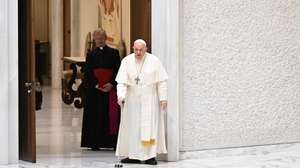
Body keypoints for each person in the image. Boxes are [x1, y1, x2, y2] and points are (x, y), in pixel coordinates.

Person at [115, 39, 168, 165]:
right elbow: (121, 82)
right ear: (133, 48)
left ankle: (150, 156)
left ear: (146, 49)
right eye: (136, 50)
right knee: (133, 128)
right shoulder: (126, 61)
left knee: (150, 127)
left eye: (141, 50)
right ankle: (133, 155)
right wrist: (121, 96)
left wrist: (163, 98)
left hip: (150, 99)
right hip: (132, 100)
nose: (138, 52)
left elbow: (162, 82)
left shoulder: (154, 61)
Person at [81, 28, 121, 150]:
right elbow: (87, 72)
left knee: (110, 116)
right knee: (95, 116)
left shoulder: (114, 53)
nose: (99, 41)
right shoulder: (91, 54)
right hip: (95, 91)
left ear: (105, 38)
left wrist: (111, 84)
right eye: (97, 39)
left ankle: (112, 143)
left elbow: (118, 70)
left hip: (110, 91)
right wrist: (96, 84)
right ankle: (95, 143)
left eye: (101, 38)